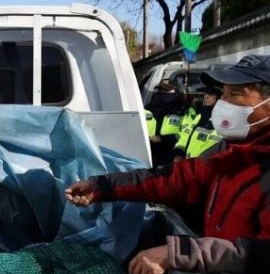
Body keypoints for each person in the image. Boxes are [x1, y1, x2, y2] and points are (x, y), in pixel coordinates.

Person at [65, 55, 270, 274]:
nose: (223, 103)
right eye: (224, 94)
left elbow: (262, 254)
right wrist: (101, 186)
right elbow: (176, 179)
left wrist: (180, 253)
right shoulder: (233, 150)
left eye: (235, 95)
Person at [145, 80, 189, 167]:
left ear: (175, 92)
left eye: (166, 90)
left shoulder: (184, 110)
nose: (161, 93)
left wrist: (163, 138)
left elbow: (187, 134)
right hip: (148, 156)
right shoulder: (147, 109)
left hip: (172, 156)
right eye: (160, 90)